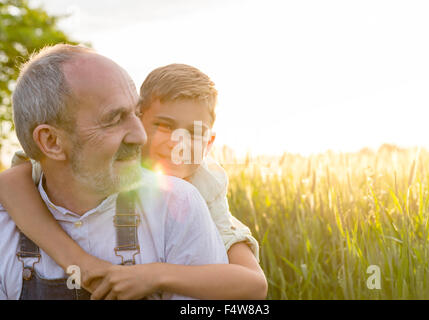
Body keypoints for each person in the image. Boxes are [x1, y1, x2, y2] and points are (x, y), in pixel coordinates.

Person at [0, 52, 268, 299]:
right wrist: (80, 263)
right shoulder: (83, 159)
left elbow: (253, 285)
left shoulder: (200, 188)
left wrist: (155, 275)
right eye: (163, 125)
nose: (179, 143)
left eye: (195, 133)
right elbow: (11, 182)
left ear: (209, 143)